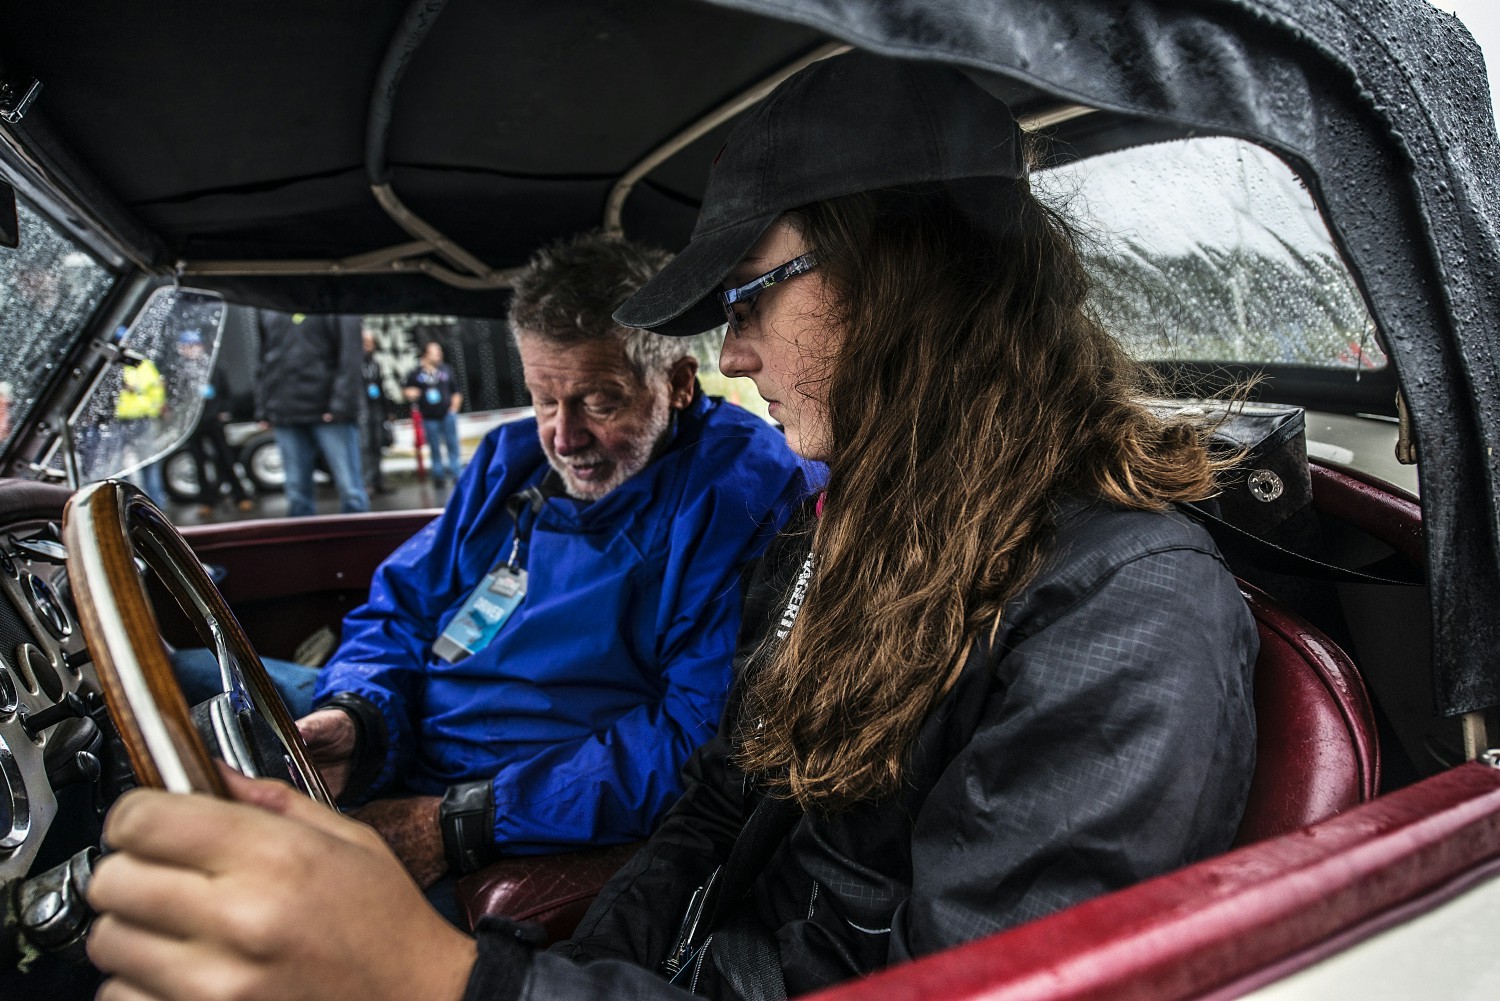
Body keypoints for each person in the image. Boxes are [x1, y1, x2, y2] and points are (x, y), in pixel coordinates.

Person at [87, 54, 1258, 1001]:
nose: (735, 353)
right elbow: (710, 811)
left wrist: (450, 977)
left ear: (905, 274)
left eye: (749, 298)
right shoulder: (854, 530)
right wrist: (555, 971)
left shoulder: (1122, 616)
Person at [172, 232, 817, 913]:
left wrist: (458, 823)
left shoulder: (738, 495)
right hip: (403, 734)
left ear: (678, 384)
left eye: (598, 402)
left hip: (514, 806)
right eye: (544, 400)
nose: (563, 438)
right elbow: (401, 606)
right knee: (180, 676)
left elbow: (691, 738)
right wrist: (359, 715)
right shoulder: (511, 460)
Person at [254, 310, 371, 517]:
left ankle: (360, 544)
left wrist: (340, 406)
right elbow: (264, 359)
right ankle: (303, 547)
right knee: (296, 492)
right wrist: (264, 408)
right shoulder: (268, 308)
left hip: (329, 412)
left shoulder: (335, 302)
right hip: (286, 411)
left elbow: (350, 357)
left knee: (350, 490)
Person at [185, 340, 256, 516]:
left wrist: (224, 411)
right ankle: (207, 501)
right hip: (194, 423)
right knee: (199, 462)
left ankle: (240, 496)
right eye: (187, 347)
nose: (191, 350)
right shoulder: (182, 372)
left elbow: (226, 393)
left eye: (194, 346)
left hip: (213, 420)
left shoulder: (214, 368)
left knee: (225, 458)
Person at [404, 339, 463, 486]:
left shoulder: (446, 370)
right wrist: (409, 393)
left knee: (452, 444)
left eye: (439, 351)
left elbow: (456, 391)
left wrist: (453, 409)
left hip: (447, 414)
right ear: (425, 355)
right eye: (435, 352)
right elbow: (406, 390)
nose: (439, 354)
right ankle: (438, 476)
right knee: (434, 447)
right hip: (429, 417)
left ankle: (457, 473)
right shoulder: (415, 373)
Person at [360, 327, 392, 495]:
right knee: (365, 447)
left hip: (377, 408)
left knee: (378, 445)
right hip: (363, 410)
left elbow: (380, 386)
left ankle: (379, 480)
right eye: (365, 343)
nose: (368, 346)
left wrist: (388, 411)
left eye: (370, 343)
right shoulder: (355, 363)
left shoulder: (375, 363)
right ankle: (367, 482)